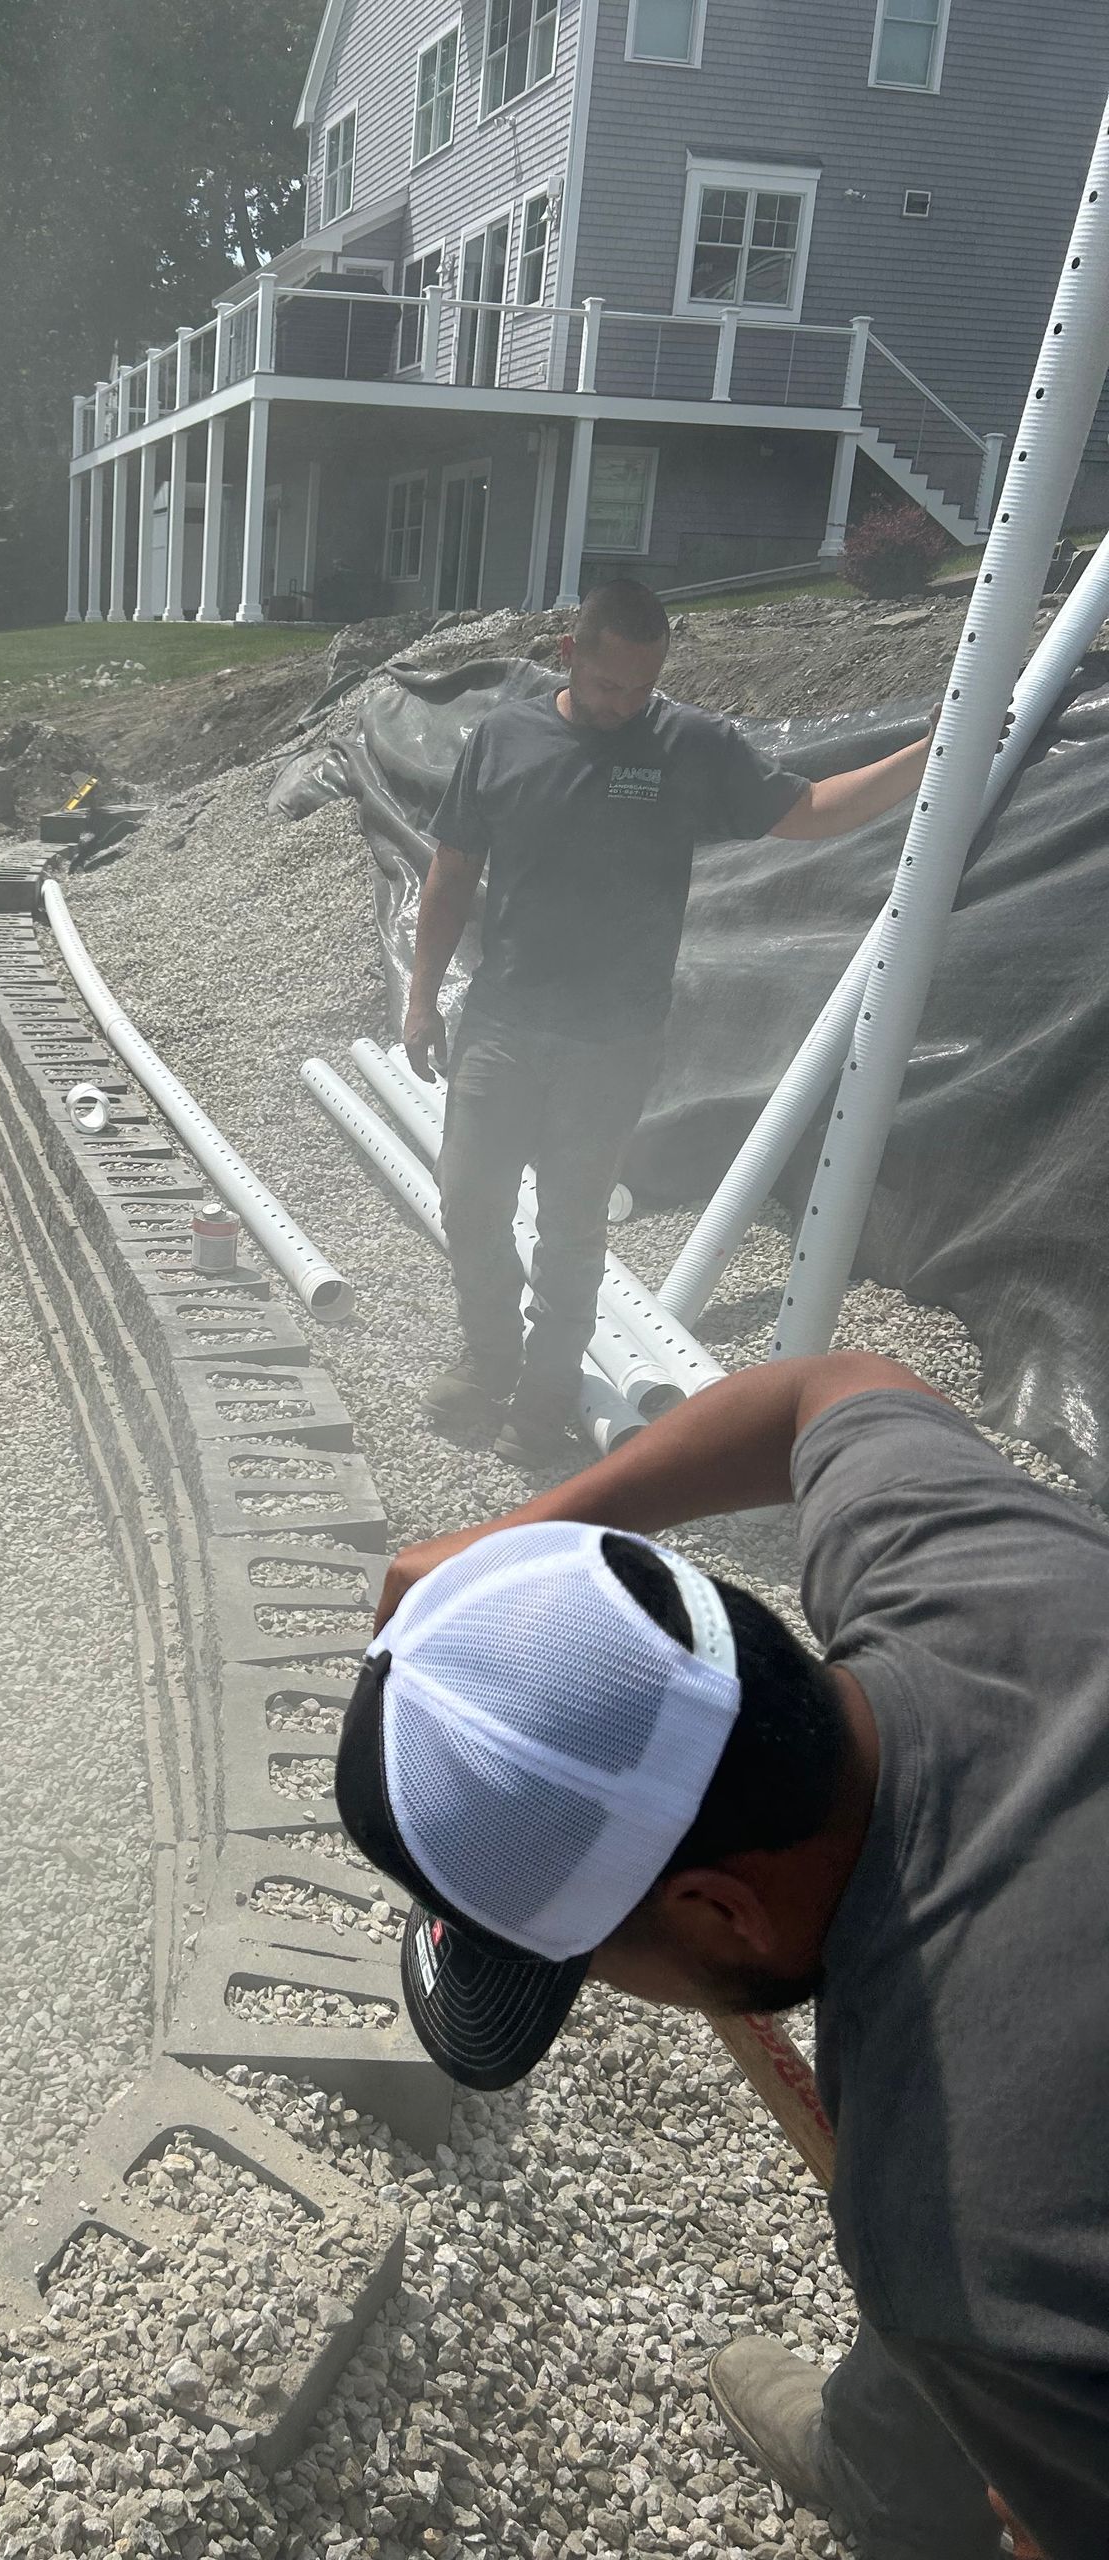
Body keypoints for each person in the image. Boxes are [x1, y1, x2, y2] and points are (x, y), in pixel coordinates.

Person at [339, 1350, 1108, 2560]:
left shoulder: (973, 2244)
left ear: (719, 1910)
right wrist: (525, 1534)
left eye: (584, 1964)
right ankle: (887, 2462)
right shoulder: (960, 1559)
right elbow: (826, 1386)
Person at [405, 578, 934, 1467]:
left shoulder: (689, 745)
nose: (623, 705)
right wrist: (422, 995)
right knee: (470, 1201)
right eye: (610, 686)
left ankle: (542, 1400)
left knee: (572, 1228)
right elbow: (451, 871)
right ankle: (488, 1355)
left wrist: (931, 752)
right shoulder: (504, 737)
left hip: (614, 1040)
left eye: (641, 689)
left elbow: (807, 812)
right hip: (505, 1018)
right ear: (570, 655)